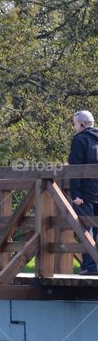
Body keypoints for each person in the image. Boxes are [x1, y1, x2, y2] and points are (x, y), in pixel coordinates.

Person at [68, 110, 98, 275]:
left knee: (86, 230)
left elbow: (75, 167)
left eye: (74, 124)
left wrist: (75, 194)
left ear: (82, 124)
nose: (74, 127)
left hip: (85, 194)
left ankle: (90, 267)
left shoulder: (80, 139)